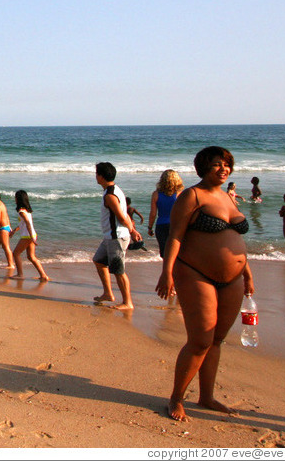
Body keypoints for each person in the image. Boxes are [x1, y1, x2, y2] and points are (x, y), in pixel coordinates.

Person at [155, 146, 255, 423]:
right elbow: (175, 236)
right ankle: (176, 397)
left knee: (217, 340)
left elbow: (235, 238)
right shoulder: (192, 195)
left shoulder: (228, 197)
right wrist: (167, 272)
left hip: (233, 278)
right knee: (200, 340)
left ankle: (206, 396)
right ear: (202, 168)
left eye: (226, 165)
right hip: (195, 273)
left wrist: (247, 272)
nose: (223, 169)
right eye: (216, 165)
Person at [92, 163, 141, 309]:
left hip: (117, 237)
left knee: (119, 271)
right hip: (109, 237)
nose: (95, 176)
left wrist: (132, 231)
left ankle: (128, 302)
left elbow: (121, 216)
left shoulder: (110, 195)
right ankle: (108, 293)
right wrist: (132, 229)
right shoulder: (113, 190)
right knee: (99, 261)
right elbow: (124, 213)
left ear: (101, 176)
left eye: (96, 173)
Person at [10, 190, 49, 281]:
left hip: (27, 236)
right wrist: (14, 231)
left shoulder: (21, 211)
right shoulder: (27, 210)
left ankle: (20, 274)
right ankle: (43, 275)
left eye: (15, 197)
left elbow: (27, 223)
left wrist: (31, 237)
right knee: (31, 256)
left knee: (15, 253)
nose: (14, 199)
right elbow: (23, 223)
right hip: (32, 235)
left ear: (18, 199)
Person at [148, 170, 184, 259]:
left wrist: (150, 228)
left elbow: (153, 214)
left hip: (161, 225)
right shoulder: (180, 194)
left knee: (165, 255)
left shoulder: (156, 194)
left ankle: (167, 272)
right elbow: (184, 212)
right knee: (177, 254)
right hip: (175, 226)